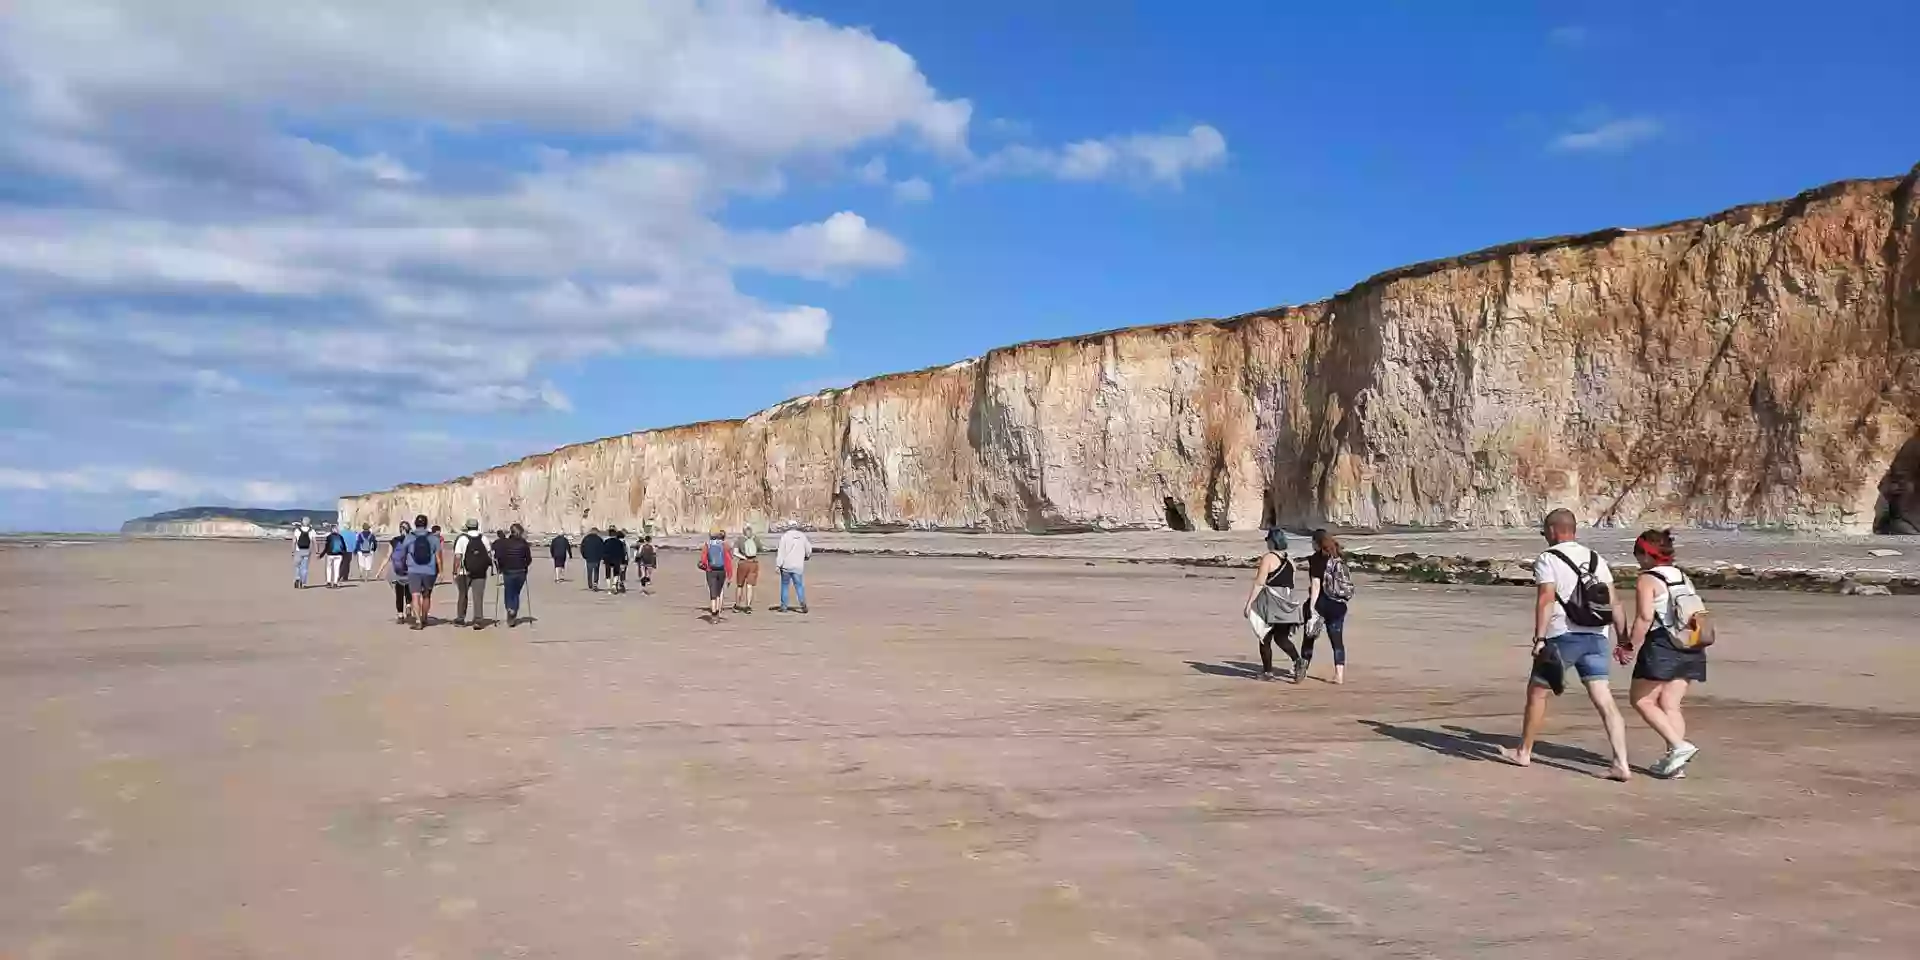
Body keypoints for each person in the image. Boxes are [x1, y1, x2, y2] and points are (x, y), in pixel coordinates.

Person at [1504, 508, 1632, 781]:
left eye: (1545, 533)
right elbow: (1615, 603)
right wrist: (1624, 640)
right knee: (1604, 699)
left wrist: (1539, 638)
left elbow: (1546, 600)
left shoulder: (1548, 559)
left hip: (1563, 635)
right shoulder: (1597, 559)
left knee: (1538, 692)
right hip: (1598, 636)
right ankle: (1621, 763)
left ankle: (1523, 752)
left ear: (1552, 531)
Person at [1618, 529, 1708, 778]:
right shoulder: (1682, 576)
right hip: (1691, 643)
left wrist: (1628, 646)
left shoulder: (1647, 579)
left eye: (1637, 553)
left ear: (1646, 554)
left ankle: (1679, 747)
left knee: (1641, 700)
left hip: (1662, 644)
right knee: (1670, 704)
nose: (1635, 558)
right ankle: (1676, 765)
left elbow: (1645, 617)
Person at [1242, 529, 1307, 681]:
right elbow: (1290, 583)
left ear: (1272, 541)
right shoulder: (1290, 561)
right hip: (1288, 602)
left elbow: (1259, 583)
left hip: (1272, 602)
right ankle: (1298, 661)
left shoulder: (1268, 558)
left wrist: (1249, 604)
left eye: (1268, 540)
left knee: (1264, 636)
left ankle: (1268, 672)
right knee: (1281, 638)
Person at [1302, 529, 1356, 684]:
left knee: (1309, 636)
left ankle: (1302, 669)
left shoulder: (1316, 559)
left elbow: (1316, 585)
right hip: (1339, 605)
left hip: (1322, 604)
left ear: (1316, 543)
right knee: (1337, 640)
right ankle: (1339, 675)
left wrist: (1312, 609)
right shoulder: (1338, 556)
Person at [402, 515, 443, 630]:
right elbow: (438, 557)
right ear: (426, 524)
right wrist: (441, 571)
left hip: (414, 570)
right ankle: (425, 617)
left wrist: (403, 566)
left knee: (415, 595)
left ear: (415, 523)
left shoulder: (410, 537)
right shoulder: (433, 538)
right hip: (429, 571)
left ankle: (418, 621)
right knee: (426, 595)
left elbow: (403, 553)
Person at [452, 520, 491, 629]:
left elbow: (458, 557)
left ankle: (460, 618)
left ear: (467, 527)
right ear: (477, 527)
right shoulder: (484, 538)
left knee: (462, 595)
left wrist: (455, 571)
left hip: (464, 572)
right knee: (478, 596)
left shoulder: (462, 539)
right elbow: (488, 555)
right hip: (480, 572)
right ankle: (478, 620)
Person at [495, 523, 534, 627]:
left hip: (508, 571)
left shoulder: (505, 543)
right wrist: (524, 566)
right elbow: (529, 559)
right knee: (516, 593)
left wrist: (501, 567)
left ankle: (510, 609)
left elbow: (500, 557)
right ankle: (513, 612)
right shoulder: (524, 544)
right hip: (521, 572)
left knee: (508, 591)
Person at [775, 522, 812, 613]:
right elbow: (808, 549)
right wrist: (807, 556)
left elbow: (781, 552)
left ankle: (784, 606)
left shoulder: (785, 536)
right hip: (798, 565)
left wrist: (778, 565)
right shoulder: (802, 536)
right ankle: (802, 603)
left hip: (786, 566)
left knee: (785, 586)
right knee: (799, 586)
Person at [698, 528, 734, 620]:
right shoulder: (724, 545)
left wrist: (705, 567)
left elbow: (703, 560)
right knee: (719, 592)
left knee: (713, 594)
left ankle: (713, 615)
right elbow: (728, 561)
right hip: (722, 570)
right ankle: (718, 612)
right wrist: (730, 575)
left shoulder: (707, 545)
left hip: (710, 571)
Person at [386, 522, 413, 624]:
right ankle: (409, 605)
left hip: (398, 571)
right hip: (410, 570)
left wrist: (380, 570)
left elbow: (388, 556)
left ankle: (400, 615)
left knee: (399, 593)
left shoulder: (394, 541)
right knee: (409, 589)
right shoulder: (412, 540)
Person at [732, 524, 763, 613]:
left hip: (743, 563)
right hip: (753, 563)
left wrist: (743, 557)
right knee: (749, 586)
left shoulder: (740, 540)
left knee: (740, 585)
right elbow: (761, 549)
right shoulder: (755, 539)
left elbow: (735, 552)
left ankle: (737, 605)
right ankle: (748, 606)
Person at [291, 517, 315, 589]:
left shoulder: (297, 530)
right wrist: (317, 551)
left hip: (298, 551)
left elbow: (294, 541)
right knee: (304, 568)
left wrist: (293, 551)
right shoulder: (312, 531)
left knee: (297, 566)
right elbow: (314, 542)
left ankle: (297, 578)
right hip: (307, 551)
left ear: (302, 522)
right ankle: (303, 583)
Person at [603, 528, 629, 594]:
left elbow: (603, 551)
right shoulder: (619, 542)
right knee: (616, 573)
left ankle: (609, 588)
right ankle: (614, 584)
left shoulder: (606, 541)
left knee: (608, 573)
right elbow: (622, 552)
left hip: (608, 559)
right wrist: (623, 561)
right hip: (617, 559)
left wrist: (603, 558)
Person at [581, 528, 604, 592]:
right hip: (597, 558)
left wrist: (584, 556)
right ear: (596, 532)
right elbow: (602, 548)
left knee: (589, 572)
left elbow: (582, 548)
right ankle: (595, 584)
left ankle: (590, 585)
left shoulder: (586, 539)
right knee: (596, 571)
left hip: (589, 558)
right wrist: (601, 557)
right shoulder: (599, 539)